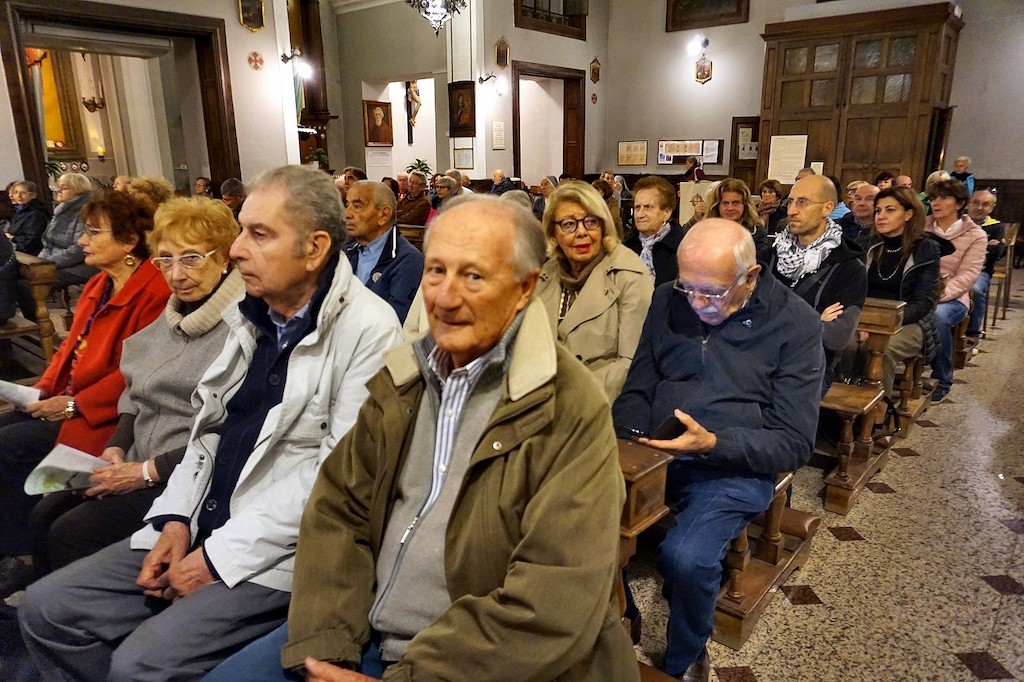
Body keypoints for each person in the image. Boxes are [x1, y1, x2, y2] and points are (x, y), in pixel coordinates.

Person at [204, 194, 641, 682]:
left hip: (474, 663)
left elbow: (553, 599)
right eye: (436, 271)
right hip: (361, 630)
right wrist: (329, 642)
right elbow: (337, 509)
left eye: (473, 276)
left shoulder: (569, 408)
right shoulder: (405, 377)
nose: (446, 298)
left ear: (524, 288)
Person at [18, 165, 404, 681]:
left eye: (259, 234)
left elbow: (335, 478)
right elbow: (207, 433)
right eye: (242, 230)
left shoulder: (370, 329)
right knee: (46, 609)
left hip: (282, 551)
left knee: (140, 663)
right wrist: (174, 519)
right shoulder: (251, 312)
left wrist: (216, 556)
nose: (237, 249)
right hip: (202, 519)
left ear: (314, 248)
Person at [613, 219, 823, 680]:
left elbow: (794, 441)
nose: (696, 303)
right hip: (654, 450)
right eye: (689, 288)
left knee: (686, 558)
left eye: (711, 292)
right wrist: (630, 439)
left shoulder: (796, 323)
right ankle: (620, 623)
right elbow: (639, 385)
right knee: (578, 524)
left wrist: (713, 442)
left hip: (731, 462)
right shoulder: (669, 297)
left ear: (751, 277)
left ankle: (686, 654)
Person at [27, 196, 246, 576]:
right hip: (136, 458)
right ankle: (41, 599)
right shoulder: (174, 312)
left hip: (185, 475)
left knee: (71, 531)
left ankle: (74, 606)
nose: (176, 274)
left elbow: (228, 430)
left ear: (224, 257)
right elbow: (134, 390)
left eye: (191, 258)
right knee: (45, 510)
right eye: (165, 260)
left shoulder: (243, 326)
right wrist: (116, 446)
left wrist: (144, 471)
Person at [0, 191, 170, 594]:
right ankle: (13, 547)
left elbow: (135, 373)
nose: (81, 241)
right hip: (65, 400)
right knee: (6, 431)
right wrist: (43, 388)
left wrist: (74, 404)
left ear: (129, 242)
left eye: (93, 232)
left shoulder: (155, 292)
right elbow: (70, 349)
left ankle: (22, 556)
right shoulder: (99, 283)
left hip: (100, 415)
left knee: (9, 448)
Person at [536, 181, 653, 400]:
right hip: (541, 397)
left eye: (591, 222)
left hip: (600, 402)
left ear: (603, 226)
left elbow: (630, 363)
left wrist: (570, 401)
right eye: (569, 224)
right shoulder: (545, 274)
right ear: (553, 233)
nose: (582, 232)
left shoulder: (629, 274)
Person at [763, 175, 867, 392]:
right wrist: (814, 319)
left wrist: (774, 321)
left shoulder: (849, 267)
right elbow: (745, 317)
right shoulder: (768, 258)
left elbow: (836, 337)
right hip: (759, 358)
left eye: (802, 202)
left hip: (809, 367)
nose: (792, 211)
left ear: (827, 208)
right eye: (790, 202)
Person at [839, 187, 946, 396]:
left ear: (908, 214)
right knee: (843, 343)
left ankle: (878, 409)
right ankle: (842, 403)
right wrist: (861, 321)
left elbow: (923, 302)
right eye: (878, 211)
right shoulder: (865, 242)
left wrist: (880, 325)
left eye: (890, 210)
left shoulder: (926, 248)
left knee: (880, 350)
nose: (881, 216)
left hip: (909, 321)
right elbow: (849, 287)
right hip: (863, 316)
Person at [924, 178, 986, 402]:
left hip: (952, 297)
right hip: (919, 290)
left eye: (944, 198)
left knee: (937, 317)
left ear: (959, 203)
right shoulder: (921, 226)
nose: (936, 203)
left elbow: (968, 275)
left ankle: (942, 378)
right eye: (933, 198)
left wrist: (938, 295)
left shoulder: (975, 235)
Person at [343, 180, 424, 323]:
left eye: (357, 206)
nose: (347, 214)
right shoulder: (345, 252)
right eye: (347, 205)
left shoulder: (408, 261)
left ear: (383, 215)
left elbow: (395, 321)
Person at [37, 172, 95, 290]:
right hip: (57, 261)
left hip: (82, 264)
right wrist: (41, 262)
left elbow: (79, 250)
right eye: (58, 186)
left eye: (63, 188)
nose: (58, 190)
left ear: (78, 190)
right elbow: (47, 242)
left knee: (35, 283)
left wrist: (49, 264)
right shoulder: (60, 210)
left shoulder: (86, 211)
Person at [623, 175, 683, 285]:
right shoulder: (625, 248)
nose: (640, 214)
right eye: (637, 207)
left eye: (647, 207)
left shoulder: (683, 249)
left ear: (666, 213)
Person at [964, 189, 1005, 346]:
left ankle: (972, 333)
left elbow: (996, 254)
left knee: (975, 289)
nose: (979, 208)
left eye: (985, 204)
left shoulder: (996, 227)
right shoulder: (959, 222)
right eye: (975, 203)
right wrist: (985, 246)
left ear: (992, 208)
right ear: (968, 203)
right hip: (955, 268)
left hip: (980, 272)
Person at [706, 177, 769, 251]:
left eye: (735, 203)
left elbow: (761, 257)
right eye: (725, 203)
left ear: (745, 205)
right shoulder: (706, 230)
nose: (730, 208)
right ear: (717, 206)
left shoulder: (757, 232)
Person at [6, 180, 50, 254]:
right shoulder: (20, 211)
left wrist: (12, 238)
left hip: (28, 252)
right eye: (16, 192)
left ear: (33, 195)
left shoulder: (35, 214)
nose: (18, 196)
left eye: (23, 193)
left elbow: (31, 241)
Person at [838, 183, 880, 248]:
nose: (861, 203)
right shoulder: (839, 225)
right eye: (858, 199)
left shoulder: (884, 231)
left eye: (870, 199)